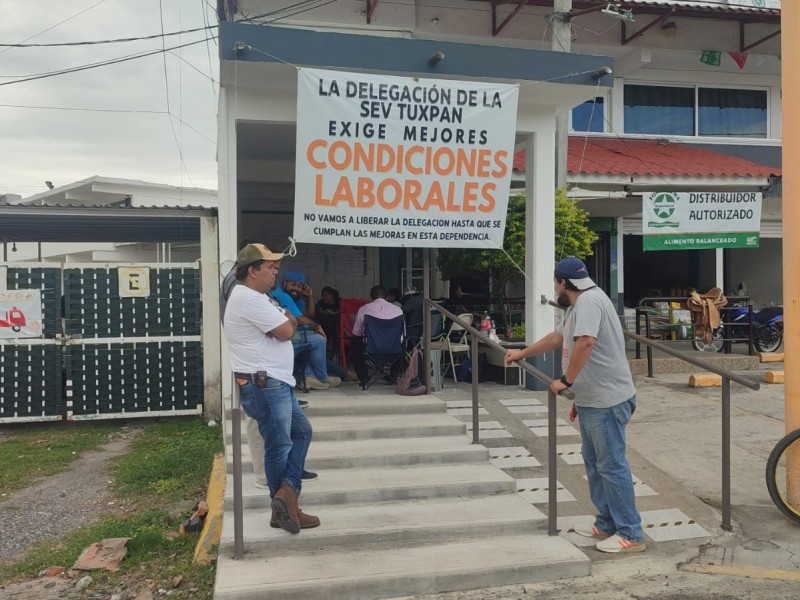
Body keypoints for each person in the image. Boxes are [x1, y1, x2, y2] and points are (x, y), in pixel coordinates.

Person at [504, 257, 645, 554]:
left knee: (611, 465)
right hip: (593, 399)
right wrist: (523, 353)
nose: (555, 289)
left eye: (556, 284)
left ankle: (631, 533)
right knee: (595, 463)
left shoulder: (590, 302)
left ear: (563, 283)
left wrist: (566, 381)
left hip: (608, 400)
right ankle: (606, 522)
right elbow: (559, 338)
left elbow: (586, 343)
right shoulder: (579, 306)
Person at [223, 243, 319, 534]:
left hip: (276, 381)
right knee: (279, 446)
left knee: (302, 432)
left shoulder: (258, 296)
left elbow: (286, 326)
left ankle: (285, 496)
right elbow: (288, 330)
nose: (275, 272)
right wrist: (286, 322)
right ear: (252, 271)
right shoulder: (248, 299)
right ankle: (285, 509)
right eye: (270, 267)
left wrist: (285, 322)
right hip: (264, 383)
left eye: (276, 267)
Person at [271, 271, 343, 390]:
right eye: (292, 284)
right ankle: (320, 377)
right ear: (284, 283)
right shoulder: (283, 296)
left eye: (299, 286)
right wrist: (318, 327)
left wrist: (309, 298)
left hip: (287, 335)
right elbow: (300, 319)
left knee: (311, 339)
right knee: (318, 340)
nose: (296, 288)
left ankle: (312, 377)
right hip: (282, 338)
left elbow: (309, 315)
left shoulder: (292, 297)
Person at [351, 285, 405, 382]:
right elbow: (402, 335)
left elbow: (357, 333)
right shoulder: (398, 311)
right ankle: (393, 376)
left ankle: (364, 377)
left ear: (371, 298)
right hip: (394, 351)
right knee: (402, 343)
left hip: (370, 350)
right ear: (387, 297)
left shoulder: (364, 310)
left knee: (354, 345)